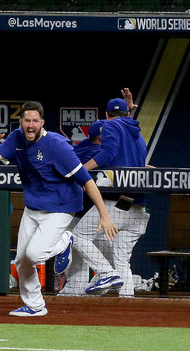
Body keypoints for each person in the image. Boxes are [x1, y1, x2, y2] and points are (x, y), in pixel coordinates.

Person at [0, 102, 117, 316]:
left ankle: (65, 241)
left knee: (34, 254)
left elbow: (86, 180)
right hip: (34, 207)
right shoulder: (16, 138)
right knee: (22, 260)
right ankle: (35, 305)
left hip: (61, 207)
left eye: (35, 121)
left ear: (42, 123)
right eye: (27, 120)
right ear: (21, 122)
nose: (31, 125)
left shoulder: (57, 145)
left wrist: (104, 214)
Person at [68, 94, 149, 296]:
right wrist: (128, 112)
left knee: (77, 236)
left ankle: (106, 273)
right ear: (126, 113)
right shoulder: (138, 134)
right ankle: (128, 305)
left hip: (117, 204)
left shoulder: (111, 126)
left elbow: (107, 154)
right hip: (139, 208)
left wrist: (82, 171)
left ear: (106, 115)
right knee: (122, 261)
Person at [57, 119, 103, 296]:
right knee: (113, 260)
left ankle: (74, 293)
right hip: (87, 213)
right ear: (100, 137)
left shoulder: (82, 146)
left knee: (79, 260)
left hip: (70, 211)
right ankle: (80, 293)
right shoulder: (98, 152)